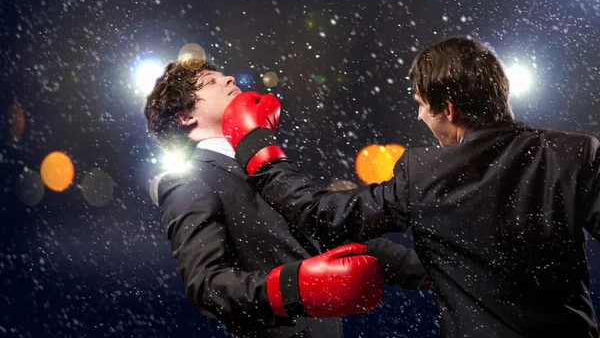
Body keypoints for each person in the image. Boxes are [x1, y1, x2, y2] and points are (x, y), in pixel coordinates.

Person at [221, 35, 600, 338]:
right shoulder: (574, 152)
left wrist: (256, 147)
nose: (418, 115)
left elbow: (321, 216)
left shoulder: (424, 171)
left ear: (448, 109)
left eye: (421, 104)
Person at [143, 60, 429, 338]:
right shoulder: (188, 181)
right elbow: (206, 285)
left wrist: (435, 272)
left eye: (223, 75)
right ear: (184, 116)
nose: (228, 79)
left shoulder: (263, 161)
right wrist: (292, 287)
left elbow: (326, 228)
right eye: (210, 82)